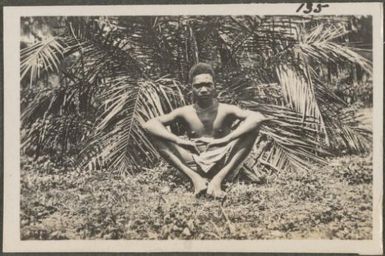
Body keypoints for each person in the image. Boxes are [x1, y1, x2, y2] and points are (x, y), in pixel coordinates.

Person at [143, 63, 269, 199]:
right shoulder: (184, 112)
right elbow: (149, 125)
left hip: (223, 160)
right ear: (191, 88)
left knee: (252, 129)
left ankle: (218, 180)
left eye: (208, 85)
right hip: (194, 161)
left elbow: (257, 118)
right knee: (156, 135)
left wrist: (227, 139)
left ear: (215, 86)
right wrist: (178, 140)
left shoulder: (226, 109)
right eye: (198, 86)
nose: (203, 90)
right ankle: (195, 179)